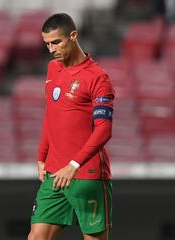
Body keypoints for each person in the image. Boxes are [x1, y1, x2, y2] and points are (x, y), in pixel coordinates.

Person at [28, 13, 115, 240]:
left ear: (73, 36)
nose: (51, 49)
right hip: (54, 173)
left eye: (56, 42)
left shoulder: (98, 78)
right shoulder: (52, 69)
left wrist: (74, 165)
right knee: (36, 237)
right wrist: (41, 155)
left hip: (88, 175)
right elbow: (52, 113)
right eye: (47, 44)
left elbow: (104, 129)